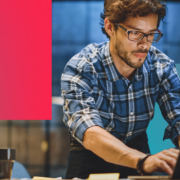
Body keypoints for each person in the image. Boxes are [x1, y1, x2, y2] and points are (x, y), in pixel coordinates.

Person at [61, 0, 180, 178]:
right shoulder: (83, 67)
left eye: (150, 34)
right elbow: (90, 132)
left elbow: (178, 117)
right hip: (91, 155)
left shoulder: (161, 67)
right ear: (110, 27)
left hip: (139, 152)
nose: (144, 44)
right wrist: (143, 161)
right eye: (135, 33)